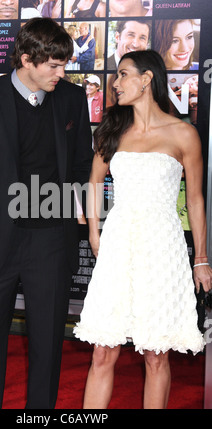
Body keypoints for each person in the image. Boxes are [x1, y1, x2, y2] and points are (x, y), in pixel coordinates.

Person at [0, 17, 93, 409]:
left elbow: (81, 163)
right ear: (27, 59)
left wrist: (73, 210)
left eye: (64, 65)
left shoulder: (70, 99)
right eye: (54, 66)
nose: (61, 74)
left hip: (51, 239)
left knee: (48, 346)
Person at [74, 49, 212, 409]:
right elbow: (93, 182)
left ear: (146, 78)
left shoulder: (184, 134)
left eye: (122, 75)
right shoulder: (114, 131)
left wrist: (201, 259)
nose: (115, 83)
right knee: (103, 351)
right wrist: (94, 232)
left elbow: (195, 200)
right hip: (118, 244)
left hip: (162, 248)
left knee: (155, 354)